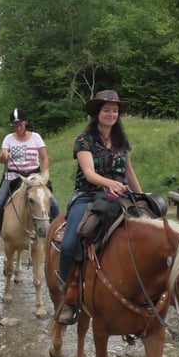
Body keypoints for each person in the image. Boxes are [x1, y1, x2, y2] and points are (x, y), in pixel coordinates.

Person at [56, 90, 143, 325]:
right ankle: (68, 295)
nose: (111, 114)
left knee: (147, 230)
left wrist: (141, 196)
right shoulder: (84, 140)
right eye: (106, 110)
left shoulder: (122, 140)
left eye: (115, 111)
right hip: (89, 195)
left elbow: (129, 171)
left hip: (120, 196)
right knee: (69, 244)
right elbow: (89, 173)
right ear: (97, 112)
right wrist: (109, 183)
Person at [0, 108, 60, 251]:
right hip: (13, 177)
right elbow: (2, 158)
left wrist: (44, 175)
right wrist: (4, 156)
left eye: (20, 124)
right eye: (15, 125)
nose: (18, 128)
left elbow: (44, 158)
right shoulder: (8, 139)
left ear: (25, 123)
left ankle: (58, 233)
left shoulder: (36, 137)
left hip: (34, 178)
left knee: (53, 203)